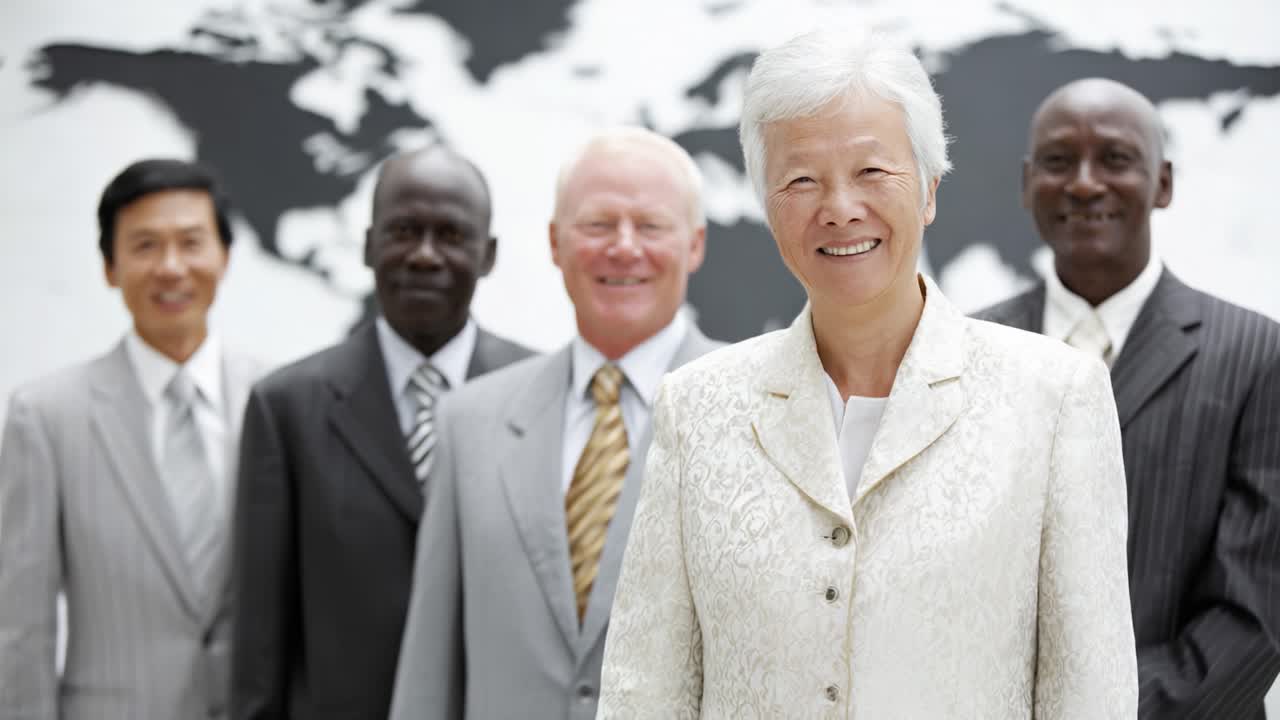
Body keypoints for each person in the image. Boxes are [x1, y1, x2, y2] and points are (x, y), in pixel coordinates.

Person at [597, 30, 1138, 718]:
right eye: (801, 180)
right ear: (767, 203)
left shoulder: (1055, 397)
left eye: (872, 172)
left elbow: (1092, 695)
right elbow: (644, 690)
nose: (840, 207)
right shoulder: (696, 407)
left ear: (931, 188)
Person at [387, 127, 722, 720]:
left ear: (694, 244)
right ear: (554, 243)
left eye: (650, 225)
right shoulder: (468, 422)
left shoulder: (758, 414)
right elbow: (428, 675)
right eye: (597, 224)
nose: (623, 247)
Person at [977, 77, 1280, 718]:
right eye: (1059, 162)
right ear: (1028, 181)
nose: (1085, 183)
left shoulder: (1257, 355)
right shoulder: (963, 349)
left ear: (1163, 182)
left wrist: (1097, 709)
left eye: (1115, 159)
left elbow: (1258, 609)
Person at [230, 144, 532, 720]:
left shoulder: (543, 395)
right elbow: (259, 650)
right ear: (368, 245)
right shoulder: (285, 408)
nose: (424, 255)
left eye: (450, 234)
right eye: (403, 230)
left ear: (488, 254)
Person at [0, 159, 263, 719]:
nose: (171, 268)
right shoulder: (47, 417)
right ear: (109, 267)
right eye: (144, 246)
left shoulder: (279, 401)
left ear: (225, 256)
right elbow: (21, 628)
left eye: (191, 242)